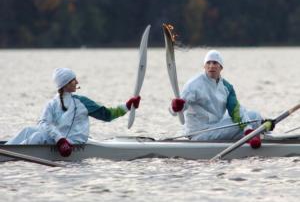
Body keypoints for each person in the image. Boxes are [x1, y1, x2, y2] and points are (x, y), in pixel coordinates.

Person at [6, 68, 141, 157]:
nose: (77, 82)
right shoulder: (52, 103)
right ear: (65, 84)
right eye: (73, 80)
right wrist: (59, 140)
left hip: (74, 141)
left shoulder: (82, 102)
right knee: (28, 130)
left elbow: (107, 115)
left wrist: (127, 106)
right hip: (61, 141)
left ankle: (8, 155)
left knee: (36, 137)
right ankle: (7, 152)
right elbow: (43, 123)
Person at [171, 50, 265, 148]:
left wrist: (248, 128)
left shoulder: (227, 87)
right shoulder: (194, 84)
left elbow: (235, 110)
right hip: (199, 133)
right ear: (204, 66)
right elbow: (177, 110)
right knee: (248, 122)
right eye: (208, 63)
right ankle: (252, 136)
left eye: (215, 63)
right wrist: (175, 107)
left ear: (221, 67)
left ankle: (255, 134)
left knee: (255, 116)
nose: (211, 66)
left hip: (216, 126)